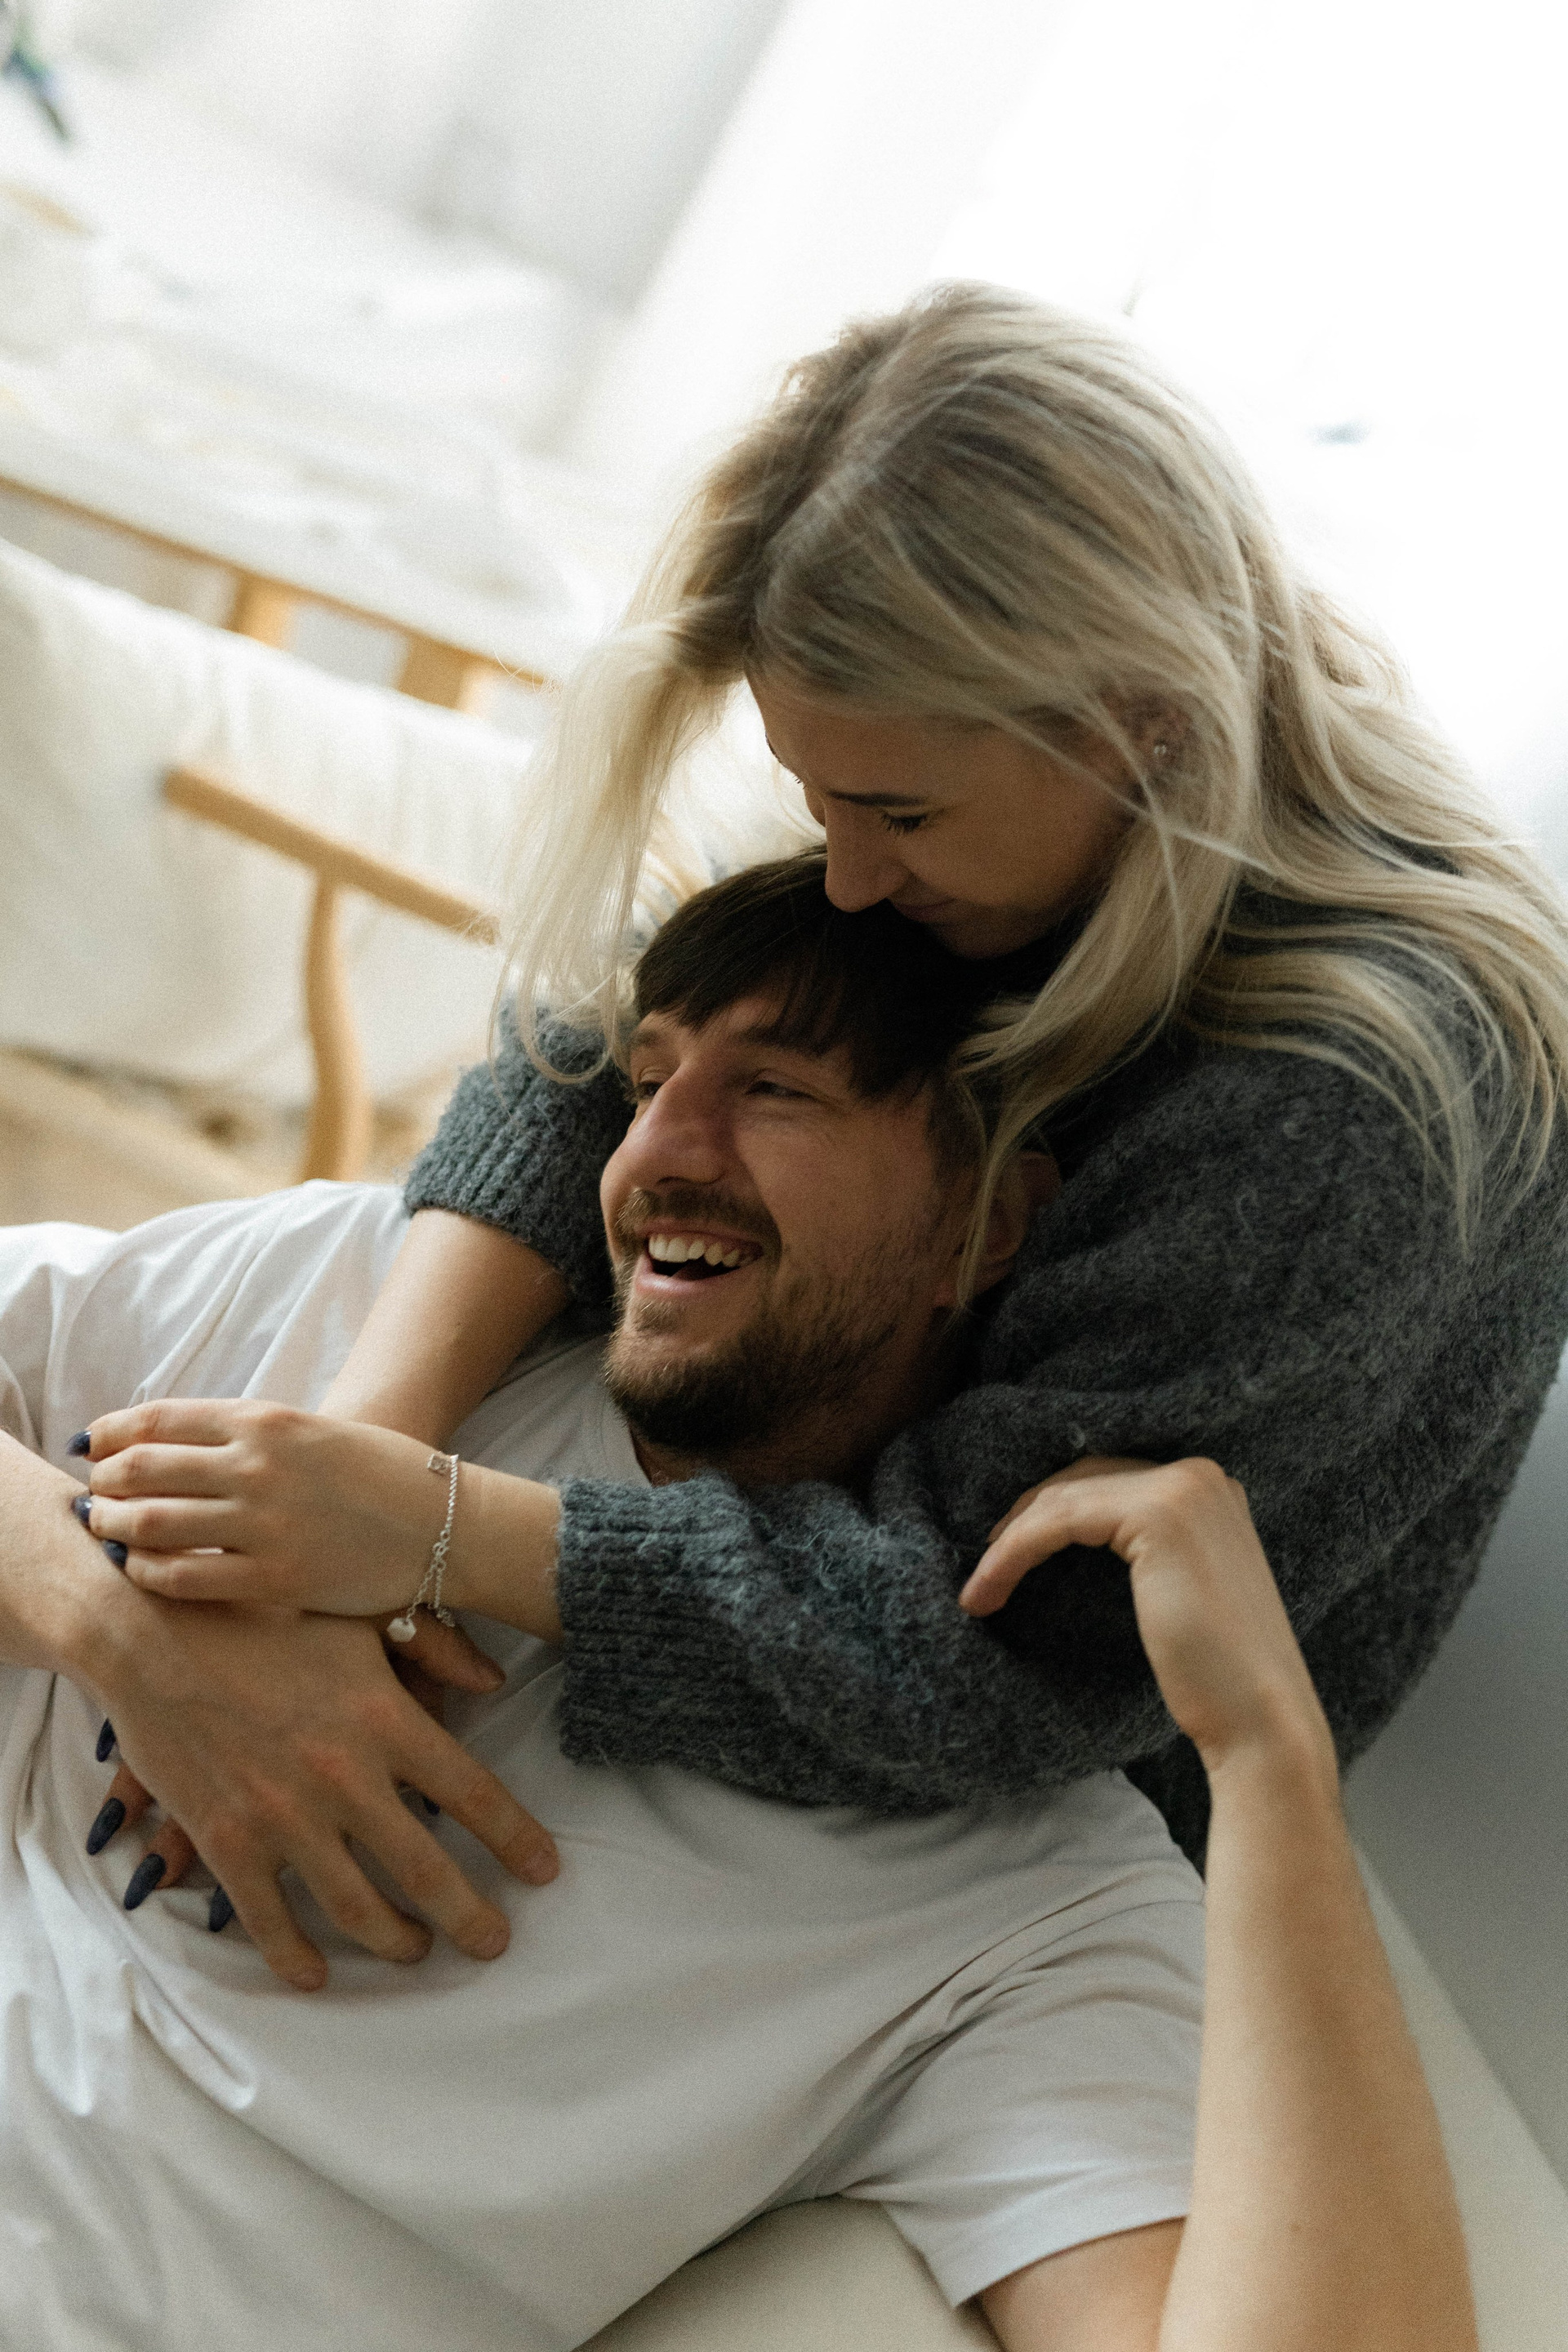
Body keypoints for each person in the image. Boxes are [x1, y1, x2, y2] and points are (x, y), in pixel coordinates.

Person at [88, 281, 1568, 1920]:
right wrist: (348, 1469)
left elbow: (1000, 1660)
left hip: (983, 1850)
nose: (847, 879)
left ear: (1144, 722)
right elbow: (590, 1050)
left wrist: (431, 1532)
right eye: (812, 801)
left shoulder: (1357, 1113)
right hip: (709, 1557)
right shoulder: (1017, 835)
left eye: (897, 816)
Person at [0, 865, 1473, 2352]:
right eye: (647, 1083)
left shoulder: (1021, 1901)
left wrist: (1269, 1756)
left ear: (986, 1223)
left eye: (775, 1091)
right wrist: (123, 1634)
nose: (657, 1153)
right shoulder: (369, 1315)